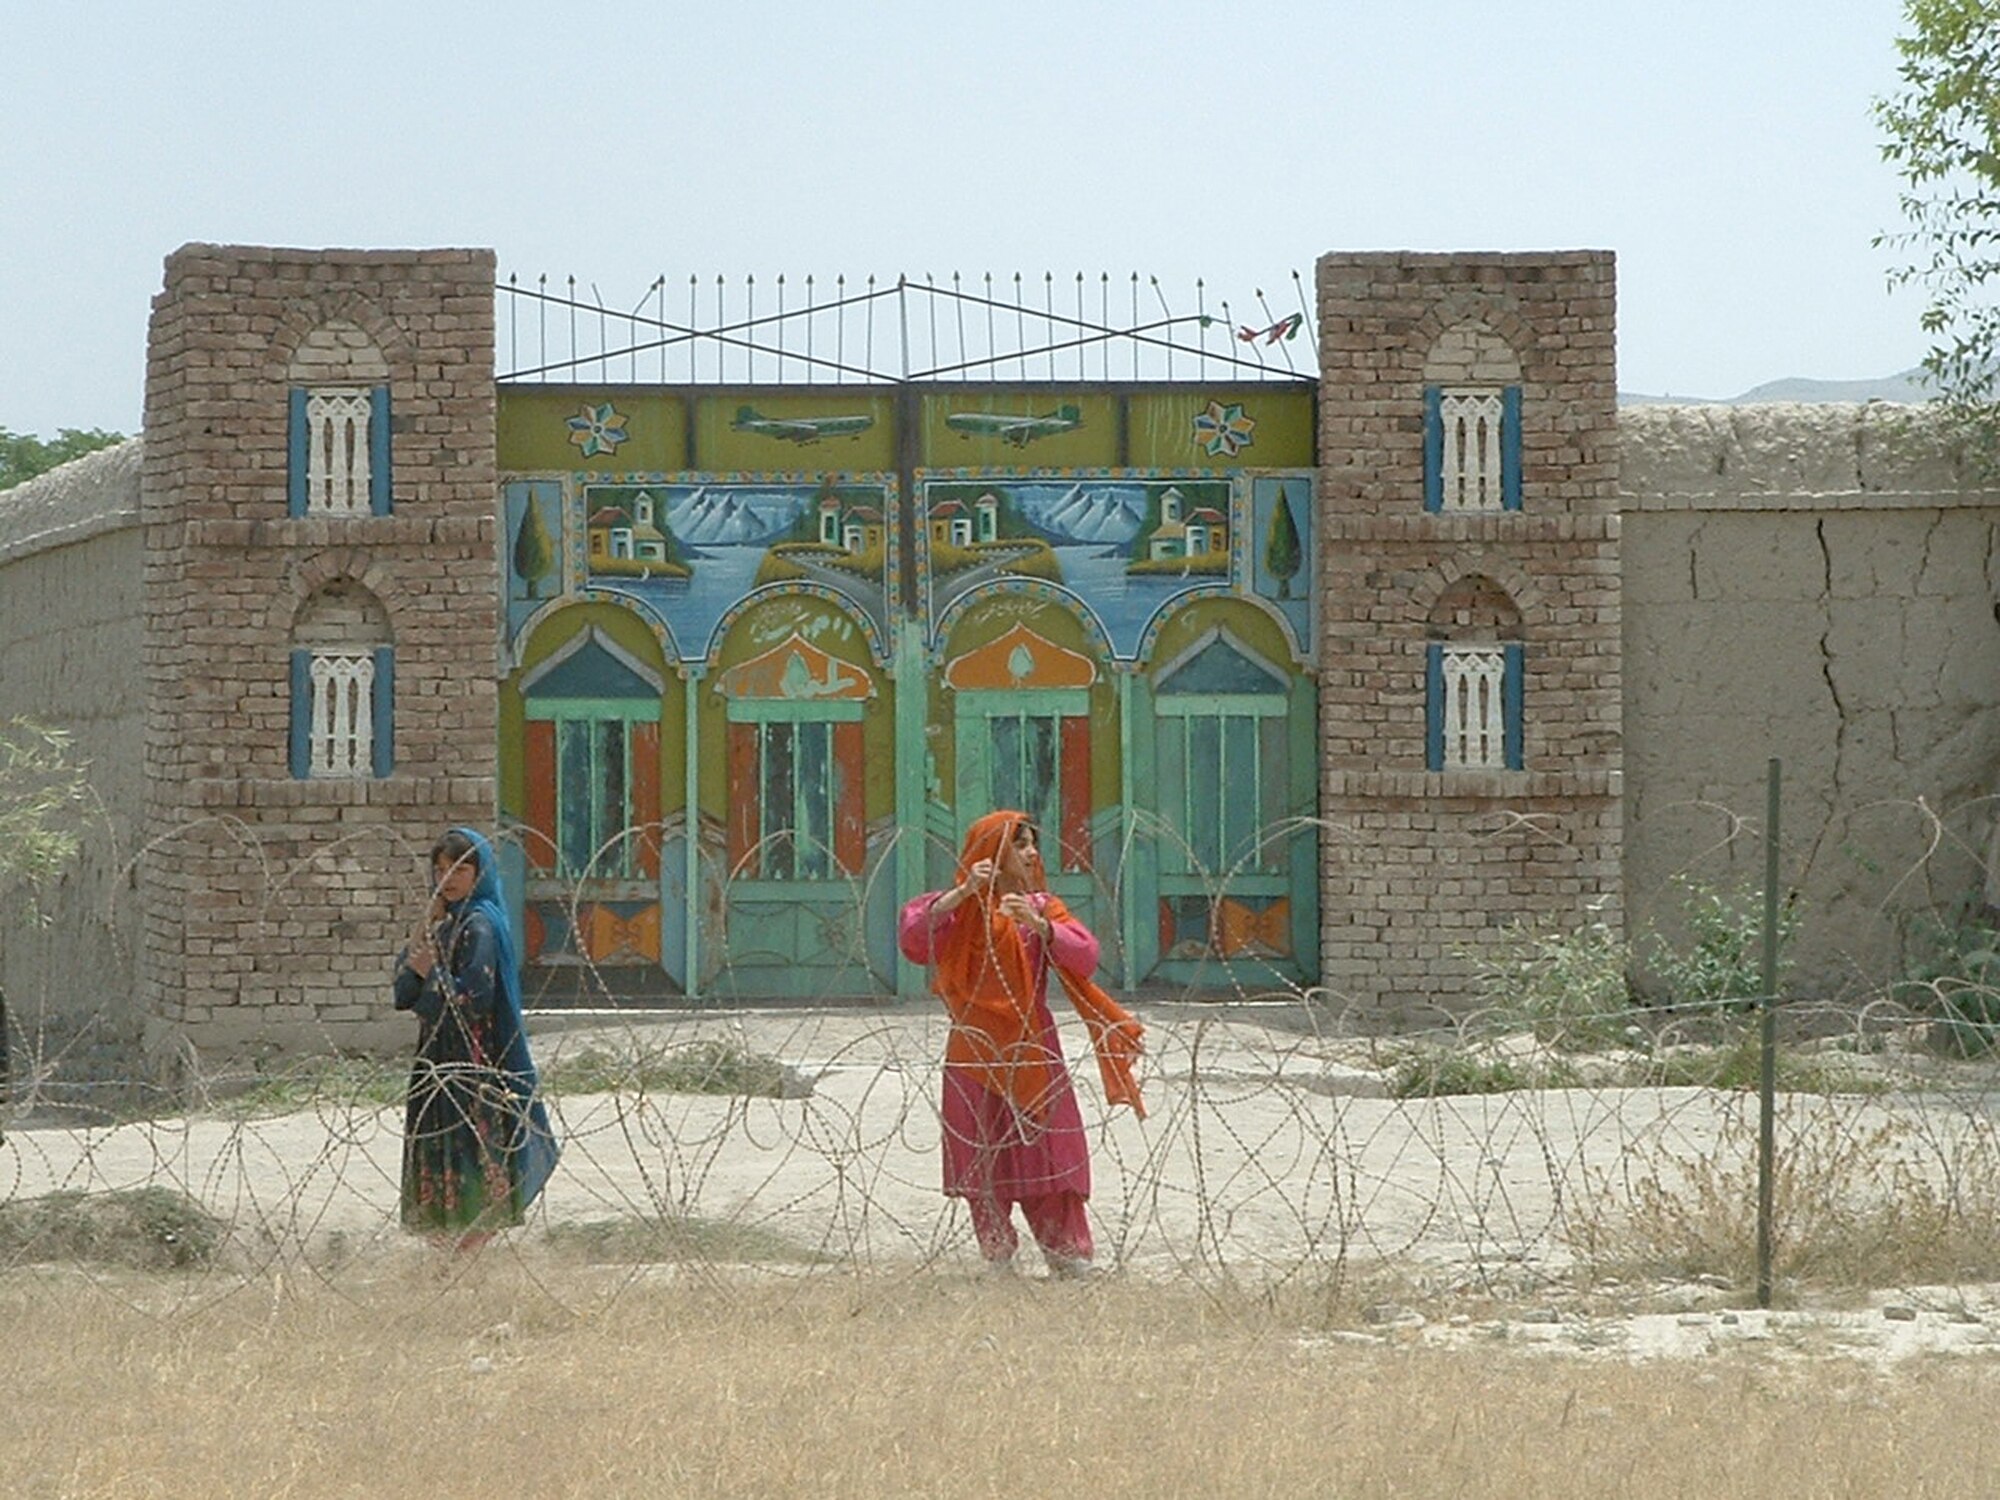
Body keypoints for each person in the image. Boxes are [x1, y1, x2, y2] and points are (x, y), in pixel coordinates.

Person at [899, 810, 1145, 1276]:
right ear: (992, 852)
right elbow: (916, 941)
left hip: (1033, 1047)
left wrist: (1040, 924)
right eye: (1021, 844)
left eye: (1033, 844)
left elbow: (1085, 955)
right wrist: (963, 893)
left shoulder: (1041, 906)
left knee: (1051, 1151)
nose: (1032, 853)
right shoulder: (960, 909)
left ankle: (1067, 1255)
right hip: (975, 1051)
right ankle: (998, 1255)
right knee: (983, 1156)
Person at [392, 827, 558, 1248]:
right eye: (440, 869)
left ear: (480, 872)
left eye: (460, 869)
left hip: (471, 1061)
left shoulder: (480, 925)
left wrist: (433, 975)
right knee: (435, 1149)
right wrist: (418, 955)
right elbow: (403, 994)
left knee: (470, 1153)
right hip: (435, 1059)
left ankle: (465, 1254)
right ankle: (448, 1255)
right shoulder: (444, 923)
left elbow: (474, 1001)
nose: (447, 879)